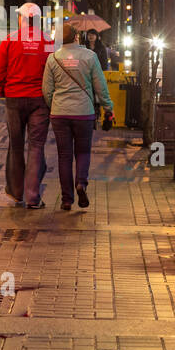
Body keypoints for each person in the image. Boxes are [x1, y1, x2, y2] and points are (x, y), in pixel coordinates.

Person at [43, 23, 113, 211]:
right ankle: (81, 183)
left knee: (64, 156)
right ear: (76, 37)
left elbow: (47, 90)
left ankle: (67, 199)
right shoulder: (90, 57)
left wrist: (54, 106)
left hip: (59, 113)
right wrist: (108, 107)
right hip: (84, 112)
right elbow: (100, 86)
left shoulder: (53, 58)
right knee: (82, 152)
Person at [0, 3, 53, 209]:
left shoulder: (10, 40)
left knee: (16, 146)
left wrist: (4, 89)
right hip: (39, 100)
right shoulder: (47, 42)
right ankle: (33, 197)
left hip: (14, 98)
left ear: (22, 19)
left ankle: (16, 193)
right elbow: (52, 72)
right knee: (36, 147)